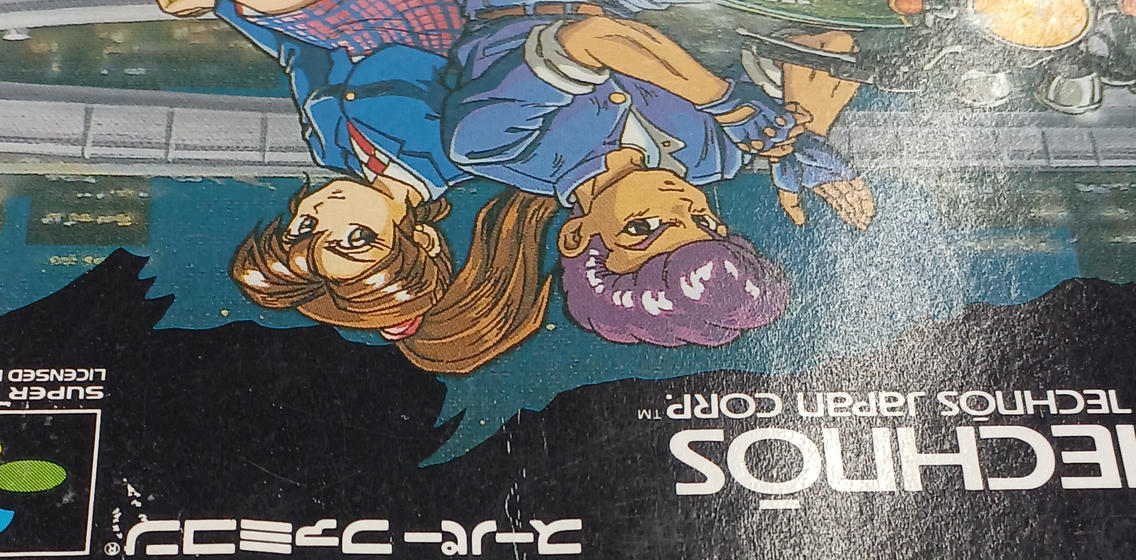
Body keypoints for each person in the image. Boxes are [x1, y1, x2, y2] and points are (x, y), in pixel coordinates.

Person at [157, 0, 558, 372]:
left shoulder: (331, 148)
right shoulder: (454, 151)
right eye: (356, 238)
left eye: (304, 229)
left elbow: (300, 54)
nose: (325, 213)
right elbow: (458, 49)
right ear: (423, 239)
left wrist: (227, 8)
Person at [443, 9, 874, 345]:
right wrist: (802, 132)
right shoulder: (710, 158)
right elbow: (830, 46)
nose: (682, 204)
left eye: (644, 227)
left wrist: (726, 103)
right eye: (703, 222)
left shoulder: (493, 148)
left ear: (575, 236)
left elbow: (593, 37)